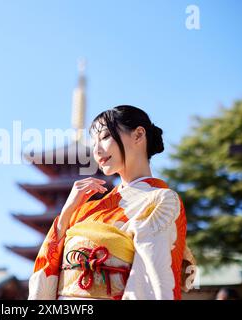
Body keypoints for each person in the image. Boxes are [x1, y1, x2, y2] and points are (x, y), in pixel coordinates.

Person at [28, 105, 196, 300]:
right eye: (93, 143)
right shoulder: (86, 209)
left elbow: (153, 279)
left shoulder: (160, 200)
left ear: (138, 135)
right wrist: (67, 211)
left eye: (105, 137)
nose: (96, 150)